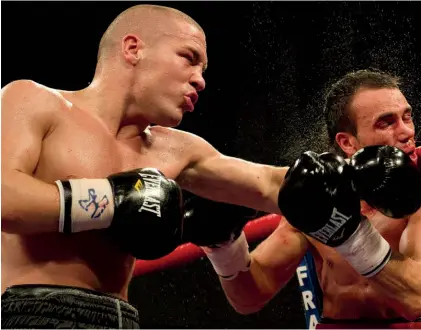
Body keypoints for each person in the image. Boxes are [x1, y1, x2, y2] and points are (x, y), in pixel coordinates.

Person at [1, 4, 290, 329]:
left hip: (122, 318)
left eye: (204, 70)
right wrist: (113, 200)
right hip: (32, 312)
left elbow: (270, 184)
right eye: (190, 58)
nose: (200, 81)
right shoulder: (33, 101)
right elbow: (4, 198)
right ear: (133, 48)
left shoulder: (176, 150)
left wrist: (344, 175)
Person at [202, 69, 421, 329]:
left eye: (406, 117)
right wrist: (225, 248)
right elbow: (250, 299)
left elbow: (415, 298)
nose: (407, 132)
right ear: (347, 143)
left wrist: (347, 232)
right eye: (386, 122)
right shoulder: (321, 197)